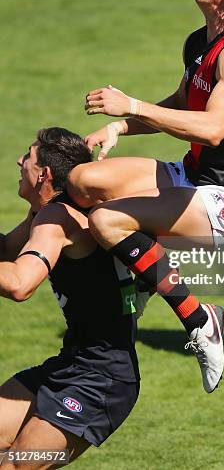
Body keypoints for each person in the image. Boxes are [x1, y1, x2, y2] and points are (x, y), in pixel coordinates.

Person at [67, 0, 224, 392]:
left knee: (107, 219)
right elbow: (182, 105)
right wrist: (120, 126)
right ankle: (144, 278)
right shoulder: (201, 42)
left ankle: (200, 320)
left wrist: (133, 103)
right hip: (194, 176)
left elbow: (214, 129)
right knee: (83, 181)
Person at [0, 128, 140, 468]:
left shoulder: (58, 220)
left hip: (102, 379)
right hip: (72, 362)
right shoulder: (50, 211)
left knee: (17, 465)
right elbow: (5, 249)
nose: (20, 161)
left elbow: (20, 284)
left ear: (44, 174)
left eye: (28, 158)